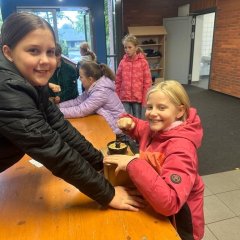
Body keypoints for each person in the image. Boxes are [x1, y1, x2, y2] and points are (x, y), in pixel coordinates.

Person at [0, 12, 145, 212]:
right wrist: (107, 193)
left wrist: (99, 163)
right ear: (8, 52)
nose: (45, 60)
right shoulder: (7, 87)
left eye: (50, 52)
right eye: (33, 51)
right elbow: (52, 150)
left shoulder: (29, 79)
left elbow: (59, 125)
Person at [104, 80, 205, 240]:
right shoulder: (158, 128)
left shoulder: (182, 148)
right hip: (154, 203)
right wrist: (128, 121)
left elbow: (170, 203)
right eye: (150, 107)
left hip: (179, 223)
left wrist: (133, 164)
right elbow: (140, 126)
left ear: (179, 111)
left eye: (161, 107)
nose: (152, 113)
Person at [59, 61, 125, 136]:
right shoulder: (93, 88)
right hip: (108, 126)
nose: (79, 79)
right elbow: (77, 101)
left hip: (118, 130)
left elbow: (81, 110)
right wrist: (58, 106)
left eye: (81, 77)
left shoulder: (101, 91)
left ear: (90, 79)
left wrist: (56, 111)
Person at [115, 34, 152, 119]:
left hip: (137, 97)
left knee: (137, 120)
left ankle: (137, 133)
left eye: (129, 47)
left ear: (136, 47)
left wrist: (145, 98)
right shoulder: (122, 62)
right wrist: (117, 95)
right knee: (125, 119)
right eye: (125, 47)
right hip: (124, 97)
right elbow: (118, 80)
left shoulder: (143, 62)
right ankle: (126, 133)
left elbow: (147, 82)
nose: (127, 50)